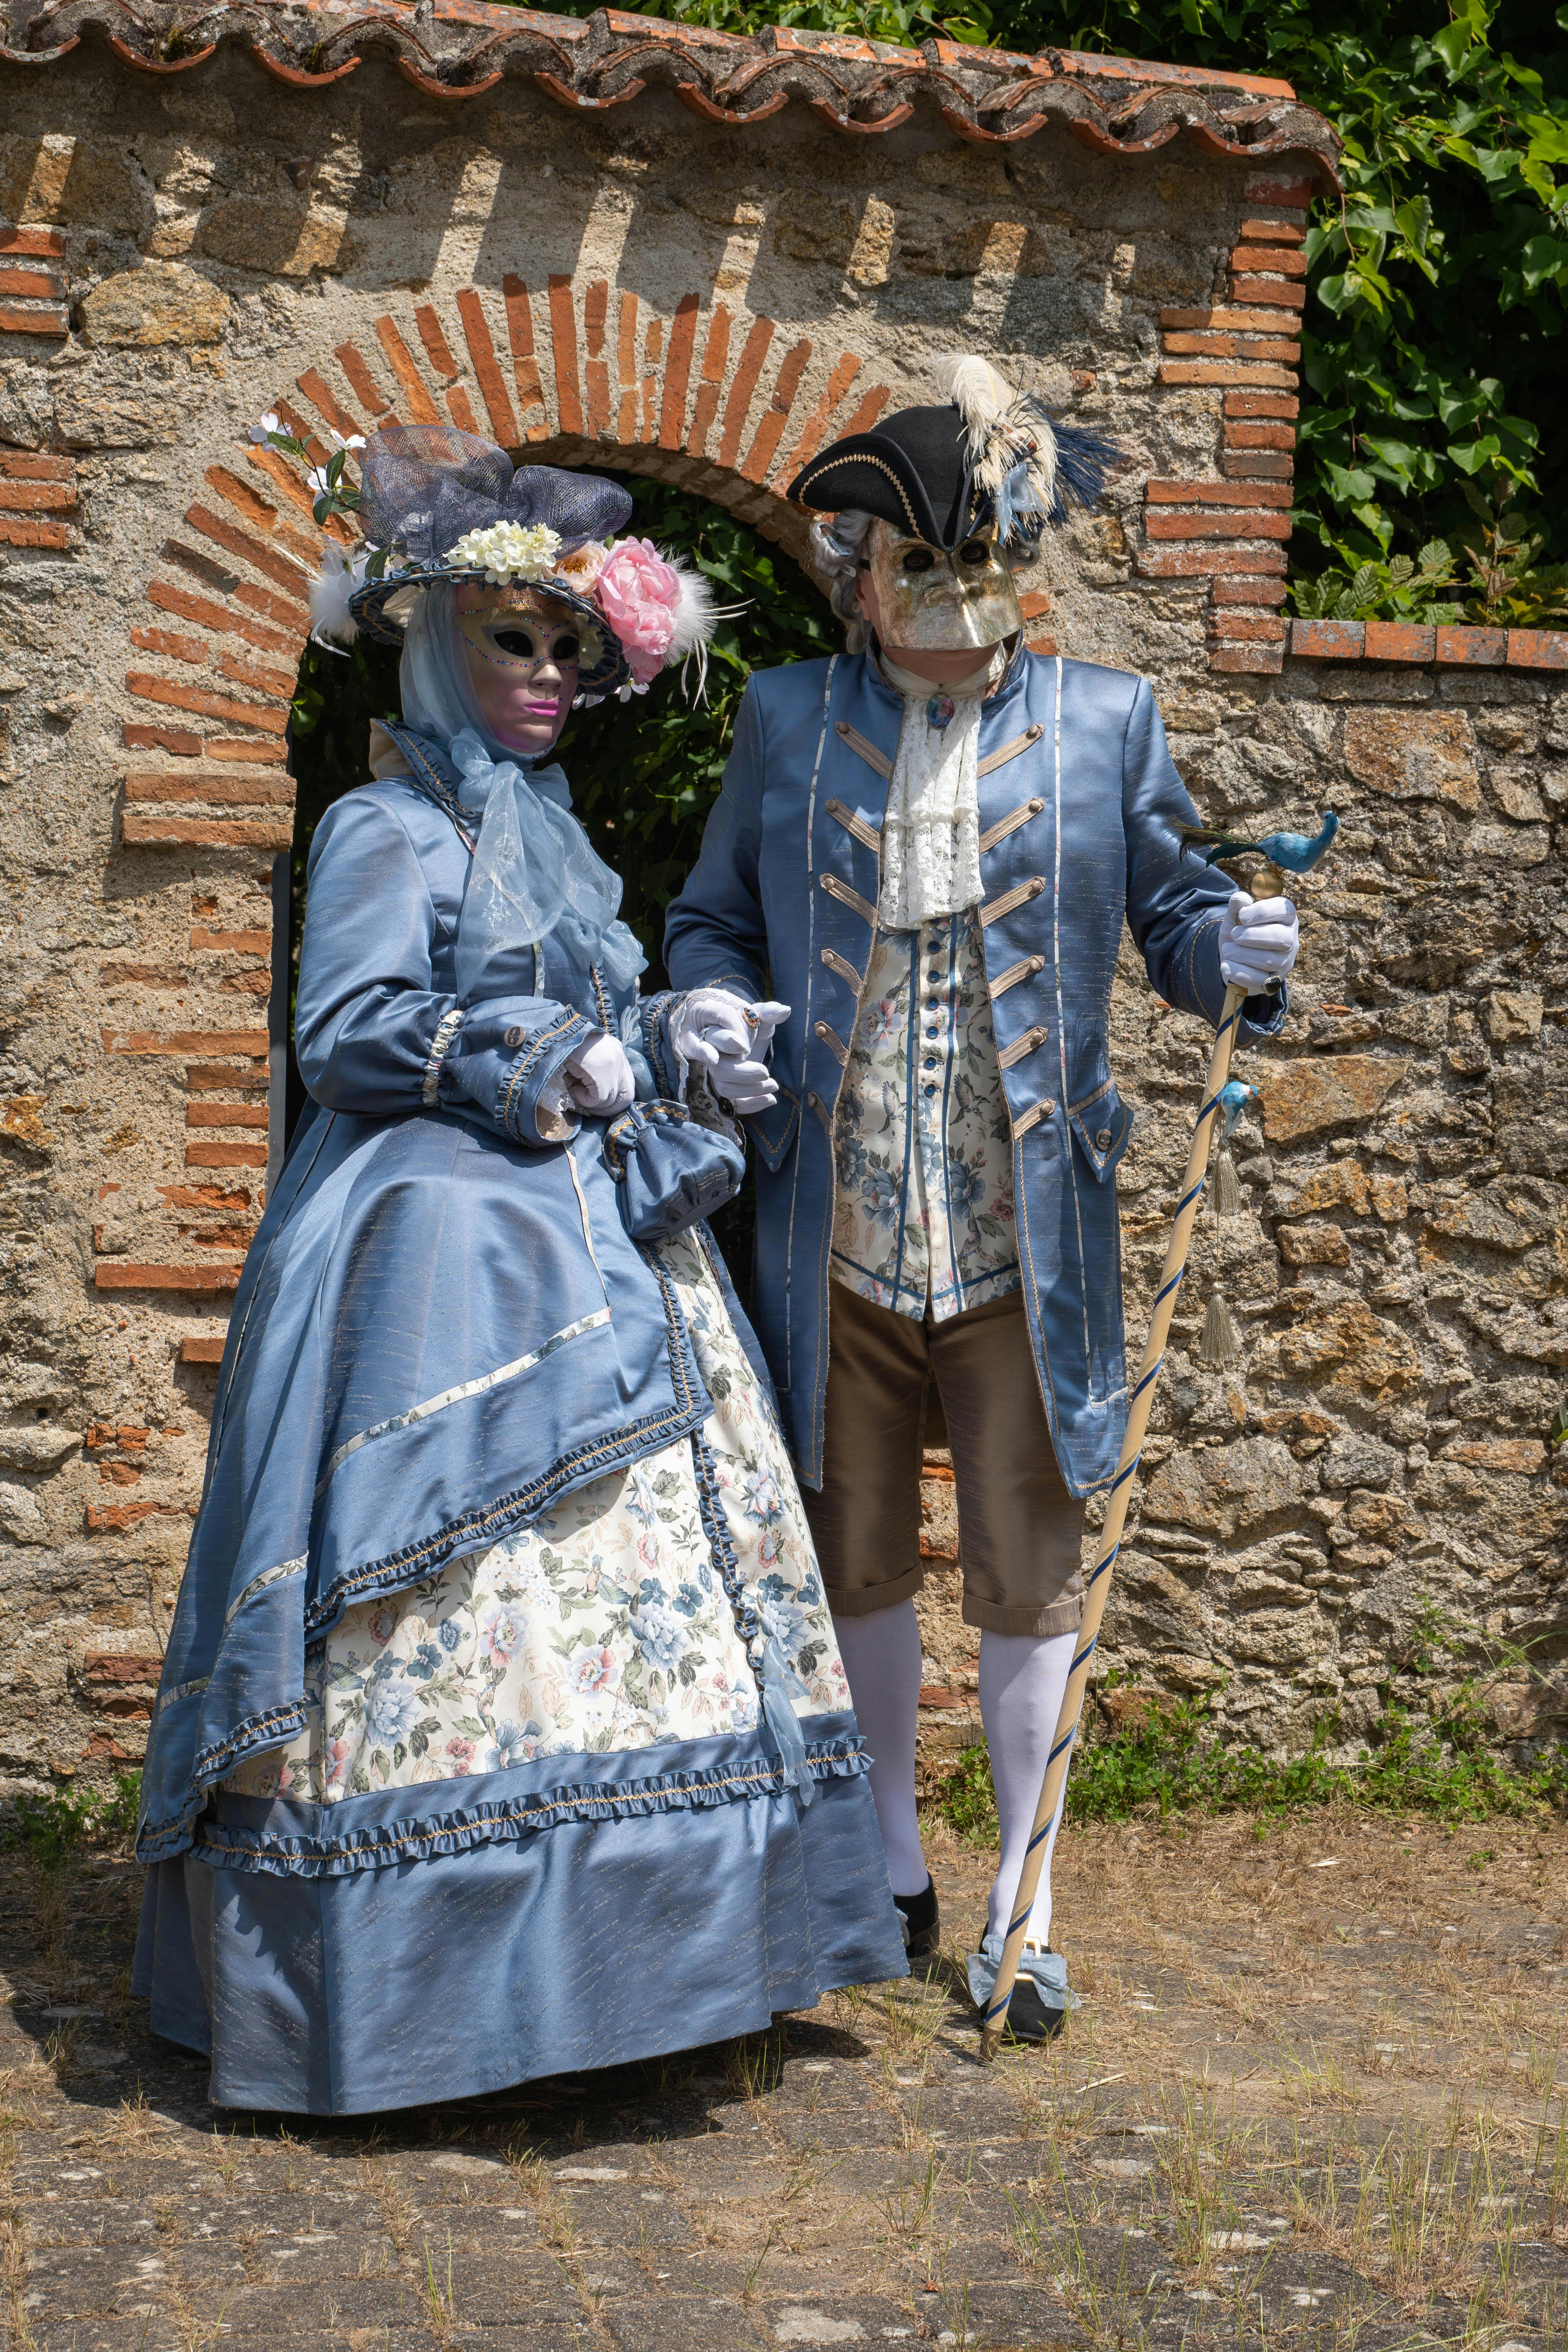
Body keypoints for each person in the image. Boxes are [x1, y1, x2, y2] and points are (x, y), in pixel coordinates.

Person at [132, 424, 906, 2116]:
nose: (550, 673)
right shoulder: (380, 826)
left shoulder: (548, 829)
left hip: (596, 1237)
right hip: (429, 1243)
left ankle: (659, 1969)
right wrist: (537, 1065)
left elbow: (583, 999)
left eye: (575, 649)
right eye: (517, 639)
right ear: (434, 636)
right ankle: (446, 1986)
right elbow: (344, 1033)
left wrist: (669, 1031)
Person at [664, 357, 1299, 2038]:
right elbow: (714, 914)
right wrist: (710, 1010)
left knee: (1027, 1554)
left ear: (1021, 570)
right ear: (855, 574)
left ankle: (1027, 1889)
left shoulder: (1106, 722)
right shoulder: (790, 720)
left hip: (1029, 1225)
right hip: (838, 1212)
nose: (934, 603)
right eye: (905, 570)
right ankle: (886, 1860)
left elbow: (1167, 909)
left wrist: (1228, 946)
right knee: (854, 1542)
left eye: (965, 568)